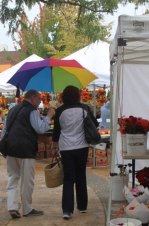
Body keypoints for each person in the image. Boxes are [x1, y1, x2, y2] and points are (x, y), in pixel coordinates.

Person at [4, 90, 55, 219]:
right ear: (32, 98)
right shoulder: (32, 110)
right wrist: (49, 116)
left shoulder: (13, 109)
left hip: (10, 147)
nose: (40, 102)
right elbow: (40, 129)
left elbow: (5, 129)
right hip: (25, 149)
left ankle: (12, 207)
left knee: (13, 178)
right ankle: (27, 208)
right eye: (39, 99)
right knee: (27, 181)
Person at [52, 85, 99, 220]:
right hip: (82, 146)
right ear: (78, 96)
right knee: (81, 176)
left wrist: (55, 145)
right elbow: (94, 124)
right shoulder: (84, 109)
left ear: (64, 96)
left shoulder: (60, 111)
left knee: (68, 178)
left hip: (66, 148)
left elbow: (56, 132)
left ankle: (67, 210)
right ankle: (82, 206)